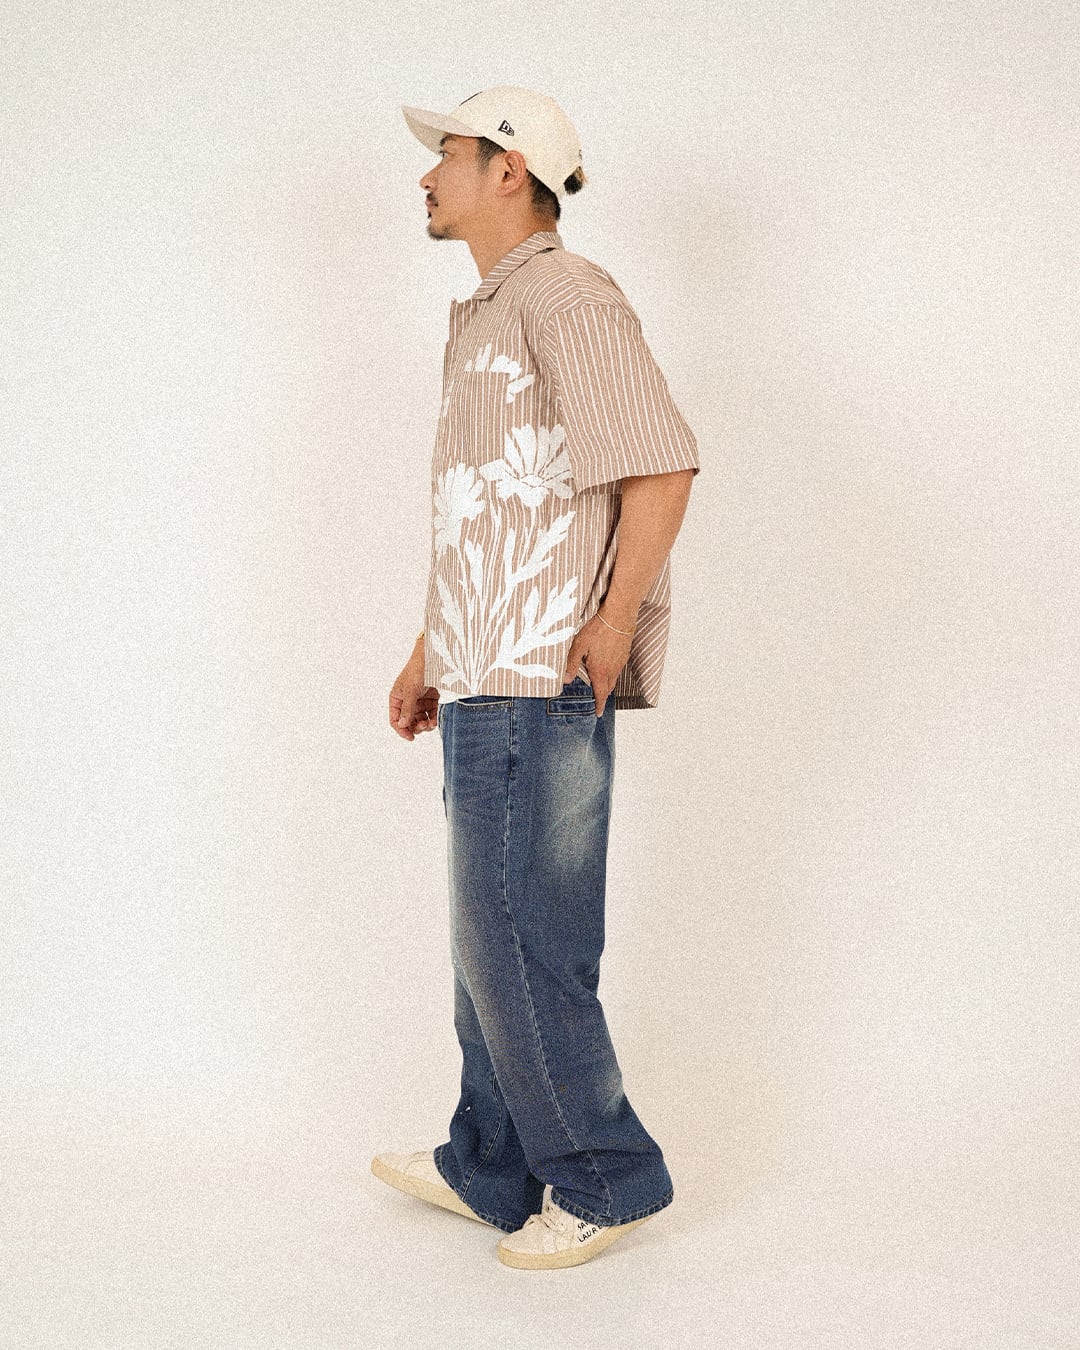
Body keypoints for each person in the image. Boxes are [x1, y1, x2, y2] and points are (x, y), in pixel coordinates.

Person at [373, 86, 701, 1270]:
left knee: (523, 931)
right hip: (485, 666)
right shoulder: (495, 307)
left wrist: (611, 622)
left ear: (508, 169)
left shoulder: (568, 295)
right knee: (488, 936)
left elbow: (660, 464)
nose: (426, 176)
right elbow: (495, 508)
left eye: (447, 156)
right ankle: (494, 1164)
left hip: (538, 671)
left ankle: (605, 1178)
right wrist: (432, 650)